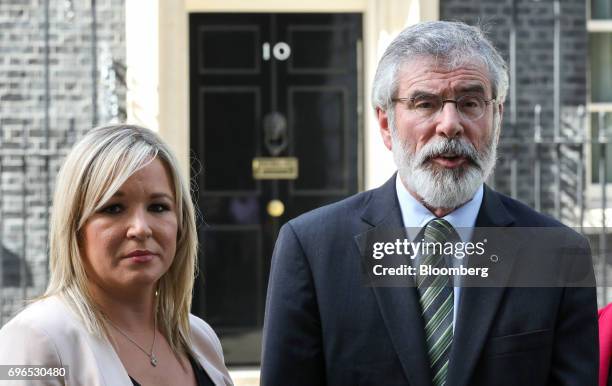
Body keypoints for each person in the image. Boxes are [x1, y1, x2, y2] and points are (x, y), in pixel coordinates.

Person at [261, 21, 598, 386]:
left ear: (497, 117)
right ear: (386, 123)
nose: (450, 124)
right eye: (425, 103)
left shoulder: (557, 253)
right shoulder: (312, 249)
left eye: (470, 103)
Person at [0, 125, 233, 386]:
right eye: (113, 208)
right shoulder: (32, 341)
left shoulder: (200, 338)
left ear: (181, 224)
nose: (141, 228)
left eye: (158, 207)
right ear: (75, 226)